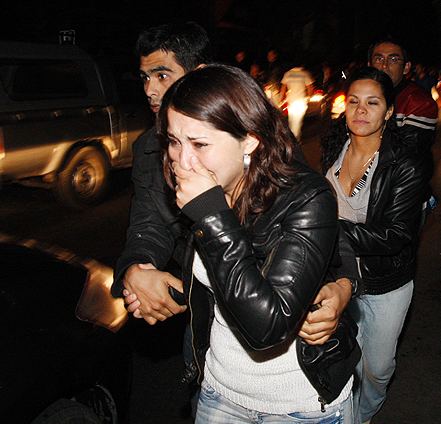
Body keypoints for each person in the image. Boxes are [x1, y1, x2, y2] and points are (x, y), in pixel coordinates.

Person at [113, 21, 354, 407]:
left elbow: (319, 222)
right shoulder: (153, 150)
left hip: (295, 382)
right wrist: (136, 270)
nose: (151, 89)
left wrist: (344, 285)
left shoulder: (264, 145)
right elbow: (149, 225)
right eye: (144, 77)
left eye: (163, 75)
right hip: (216, 368)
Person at [320, 67, 427, 424]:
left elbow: (394, 235)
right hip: (336, 275)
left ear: (389, 111)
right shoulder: (333, 150)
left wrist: (327, 229)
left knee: (378, 368)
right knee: (340, 358)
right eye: (353, 101)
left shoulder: (404, 164)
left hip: (384, 283)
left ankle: (367, 410)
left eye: (373, 102)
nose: (361, 110)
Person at [367, 36, 438, 227]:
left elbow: (405, 156)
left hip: (400, 200)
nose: (384, 65)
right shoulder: (363, 97)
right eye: (378, 58)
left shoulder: (418, 102)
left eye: (393, 59)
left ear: (406, 67)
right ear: (370, 64)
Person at [279, 63, 315, 139]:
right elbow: (310, 88)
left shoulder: (287, 74)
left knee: (291, 121)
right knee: (297, 123)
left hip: (291, 102)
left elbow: (283, 89)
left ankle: (290, 138)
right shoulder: (305, 74)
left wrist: (280, 100)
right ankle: (295, 139)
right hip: (301, 102)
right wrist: (309, 97)